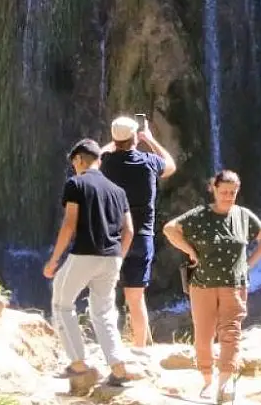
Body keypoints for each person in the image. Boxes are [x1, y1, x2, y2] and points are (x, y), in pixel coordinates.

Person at [163, 170, 261, 404]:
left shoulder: (243, 216)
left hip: (234, 284)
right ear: (213, 189)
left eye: (232, 192)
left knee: (231, 332)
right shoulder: (199, 215)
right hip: (202, 283)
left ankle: (225, 383)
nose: (228, 196)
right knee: (203, 334)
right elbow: (170, 229)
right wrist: (190, 251)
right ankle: (206, 378)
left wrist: (248, 264)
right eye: (224, 192)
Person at [44, 139, 136, 388]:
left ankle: (78, 363)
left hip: (84, 254)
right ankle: (118, 369)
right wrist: (119, 257)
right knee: (104, 312)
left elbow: (69, 224)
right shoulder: (118, 191)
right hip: (112, 257)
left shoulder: (76, 183)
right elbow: (129, 230)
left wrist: (54, 260)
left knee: (62, 304)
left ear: (78, 160)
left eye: (74, 162)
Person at [100, 115, 176, 348]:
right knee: (136, 300)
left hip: (113, 238)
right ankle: (139, 349)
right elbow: (171, 166)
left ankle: (109, 348)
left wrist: (114, 143)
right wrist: (150, 140)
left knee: (105, 297)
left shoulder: (107, 163)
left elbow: (94, 157)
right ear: (135, 137)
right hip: (142, 238)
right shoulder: (149, 162)